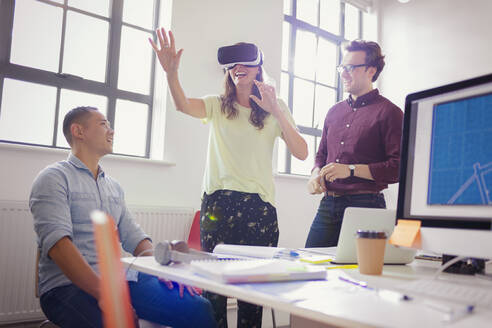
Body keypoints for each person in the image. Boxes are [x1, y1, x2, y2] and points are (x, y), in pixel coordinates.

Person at [150, 28, 307, 328]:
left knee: (252, 294)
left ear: (259, 69)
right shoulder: (216, 105)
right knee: (214, 291)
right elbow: (182, 104)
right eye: (233, 64)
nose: (238, 68)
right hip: (217, 206)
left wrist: (275, 109)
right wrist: (171, 73)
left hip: (259, 209)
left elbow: (301, 152)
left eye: (246, 63)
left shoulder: (276, 109)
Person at [30, 106, 217, 328]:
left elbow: (135, 238)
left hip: (121, 279)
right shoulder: (53, 178)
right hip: (66, 287)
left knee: (198, 308)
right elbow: (59, 246)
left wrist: (162, 270)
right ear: (78, 131)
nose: (112, 131)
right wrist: (104, 294)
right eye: (103, 124)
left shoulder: (113, 187)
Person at [305, 40, 403, 247]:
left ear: (371, 71)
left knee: (363, 270)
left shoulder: (390, 113)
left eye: (350, 67)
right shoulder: (333, 112)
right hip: (328, 204)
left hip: (366, 205)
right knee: (308, 263)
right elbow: (321, 155)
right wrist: (315, 175)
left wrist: (350, 170)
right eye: (342, 67)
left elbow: (398, 168)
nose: (343, 73)